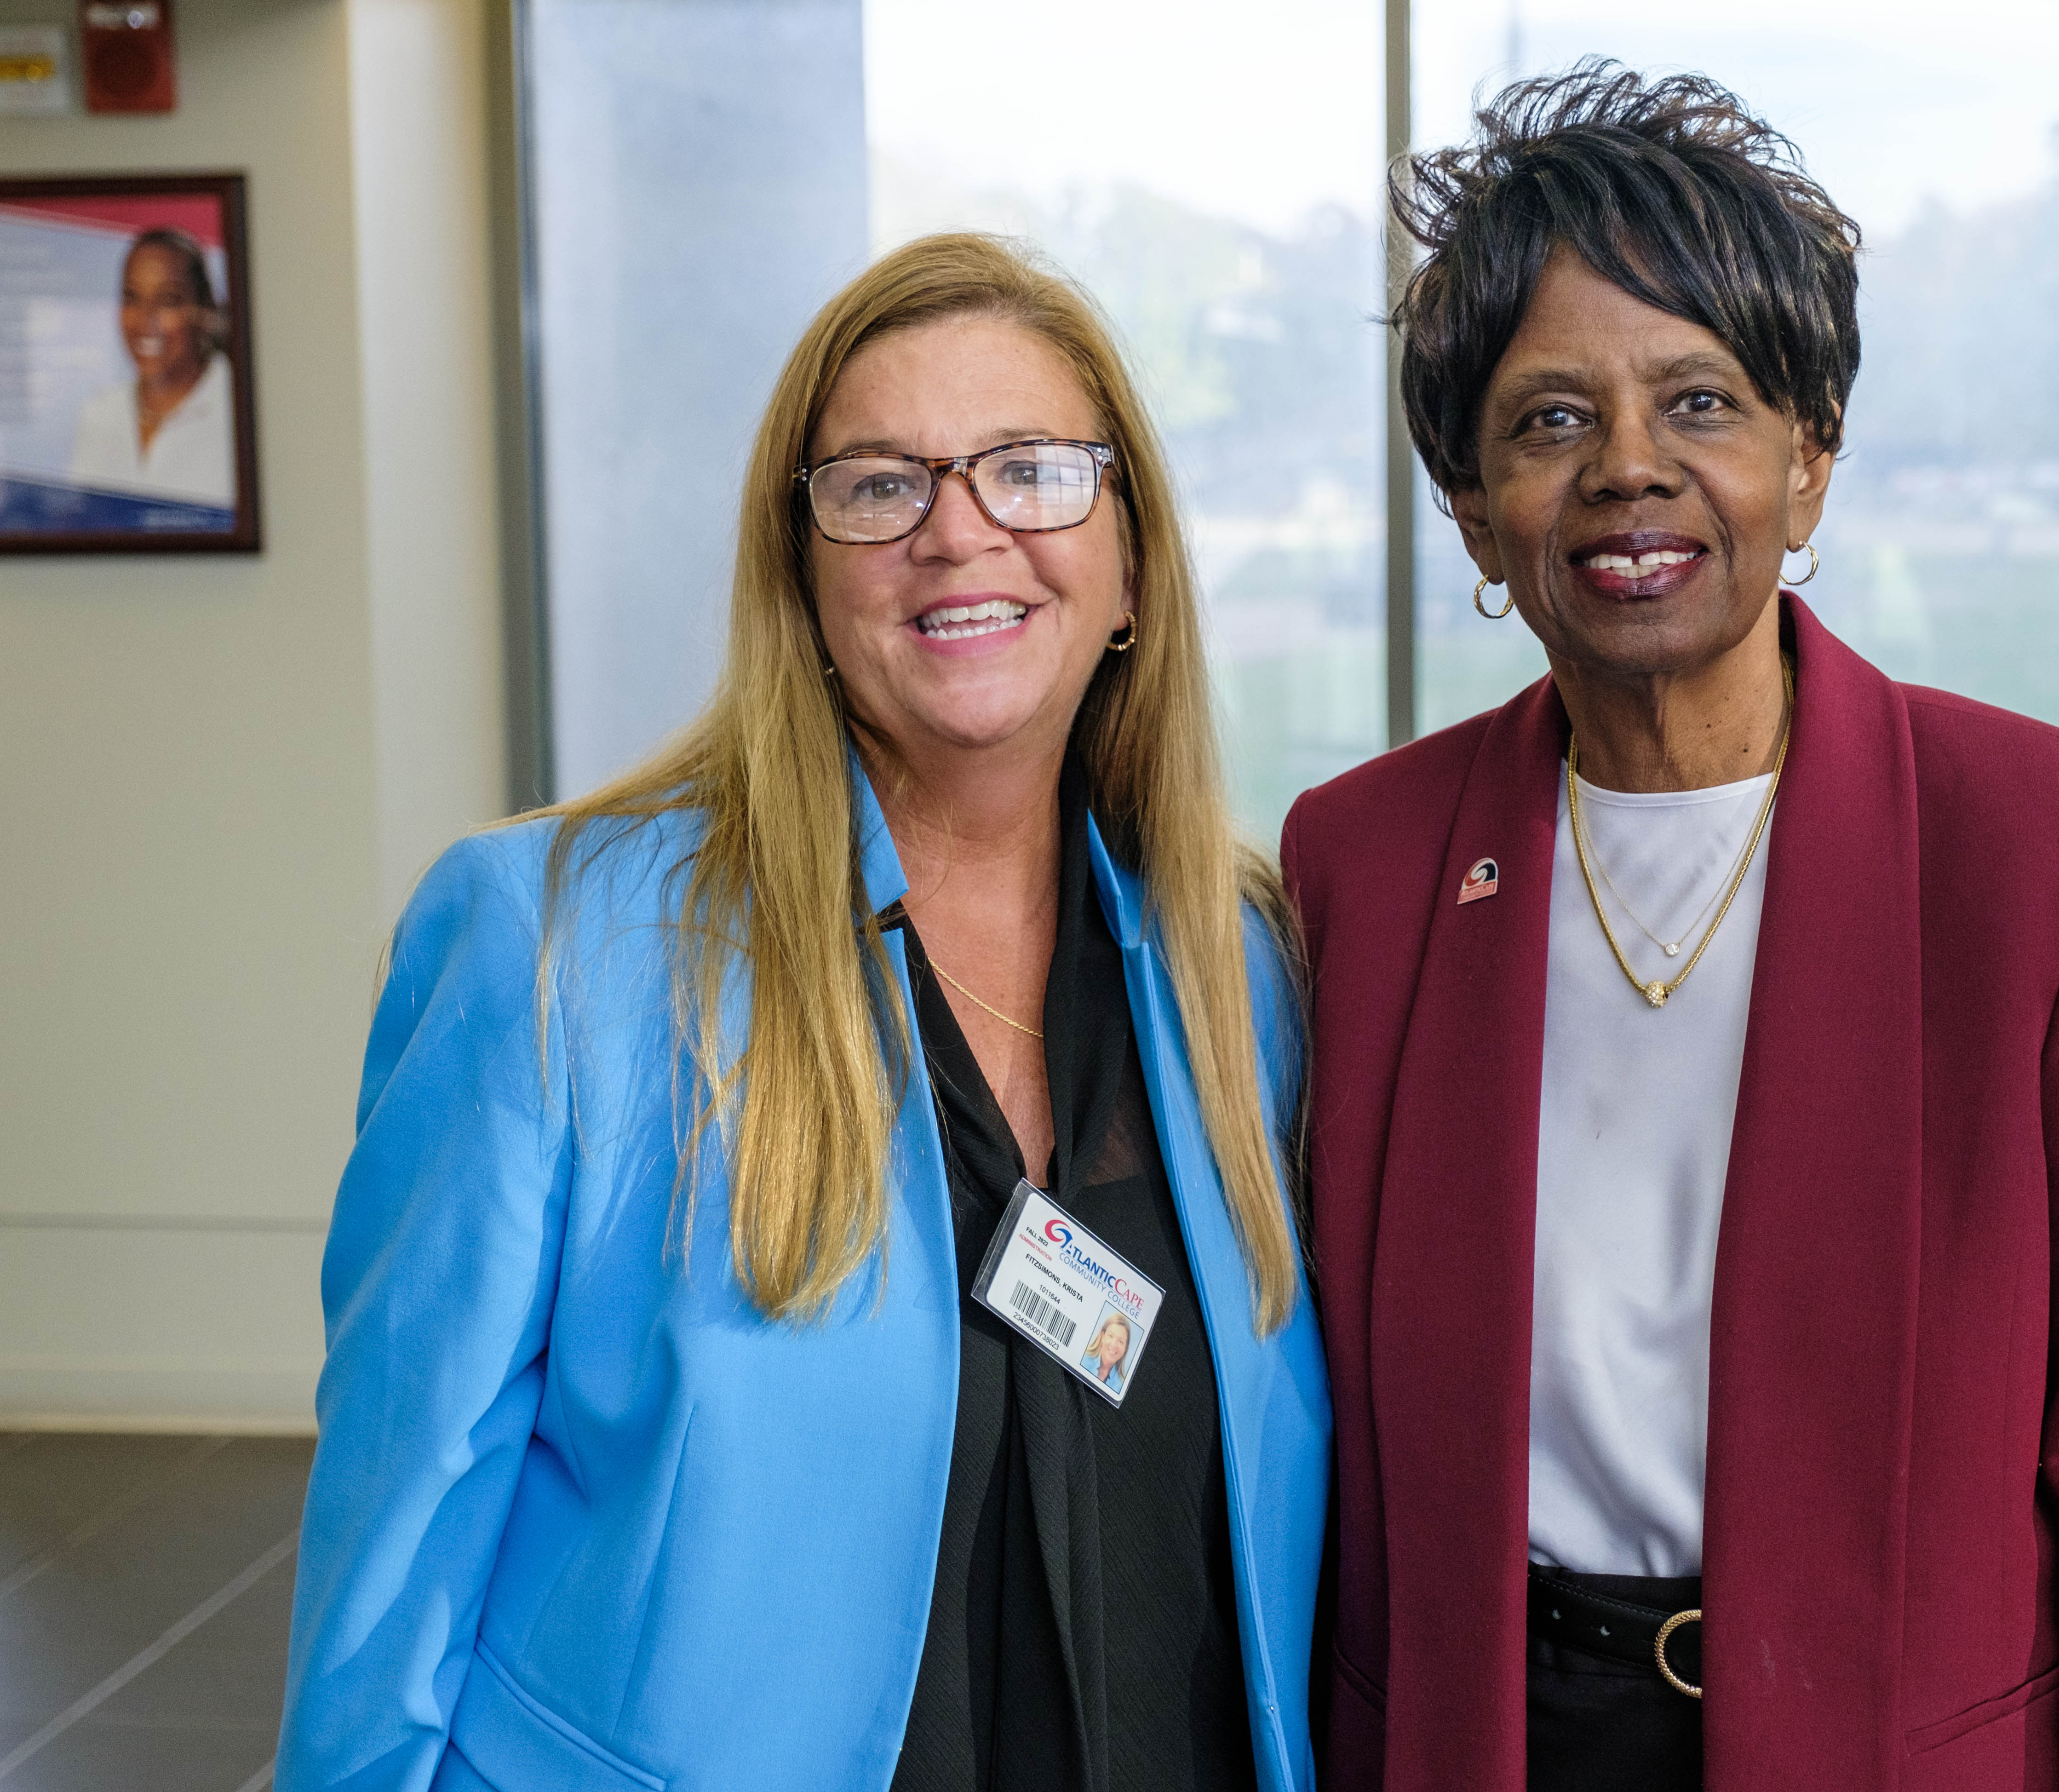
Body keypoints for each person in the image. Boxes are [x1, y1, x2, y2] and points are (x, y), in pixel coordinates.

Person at [1280, 63, 2059, 1790]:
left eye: (1702, 402)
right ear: (1468, 509)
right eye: (1546, 422)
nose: (1628, 470)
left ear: (1808, 460)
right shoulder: (1360, 868)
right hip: (1486, 1735)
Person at [277, 234, 1329, 1792]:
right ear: (805, 573)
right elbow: (395, 1535)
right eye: (878, 485)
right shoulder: (553, 946)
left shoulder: (1238, 966)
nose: (957, 533)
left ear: (1129, 565)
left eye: (1028, 471)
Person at [65, 226, 235, 506]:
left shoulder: (238, 408)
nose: (146, 322)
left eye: (168, 301)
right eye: (132, 299)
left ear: (205, 311)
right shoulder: (100, 415)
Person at [1082, 1310, 1136, 1393]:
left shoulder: (1122, 1386)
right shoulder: (1082, 1359)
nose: (1114, 1345)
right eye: (1111, 1336)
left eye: (1120, 1341)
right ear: (1103, 1336)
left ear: (1126, 1348)